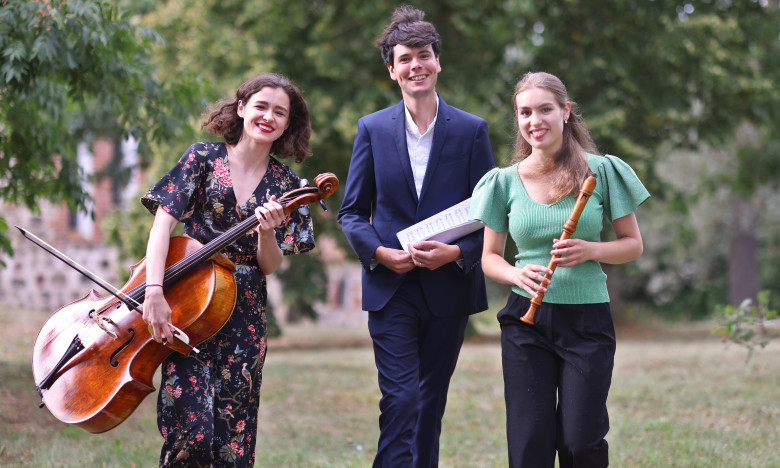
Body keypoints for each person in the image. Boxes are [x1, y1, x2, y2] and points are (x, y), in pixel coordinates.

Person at [337, 6, 495, 467]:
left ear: (438, 61)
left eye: (423, 55)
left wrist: (456, 253)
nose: (415, 66)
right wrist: (380, 253)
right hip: (391, 289)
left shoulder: (471, 131)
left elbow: (491, 216)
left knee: (429, 406)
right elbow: (351, 213)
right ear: (392, 70)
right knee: (402, 398)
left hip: (450, 289)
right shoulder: (371, 129)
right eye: (405, 59)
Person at [470, 71, 650, 468]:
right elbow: (489, 258)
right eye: (525, 112)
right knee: (529, 442)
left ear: (566, 112)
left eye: (545, 109)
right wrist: (516, 275)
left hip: (587, 317)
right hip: (525, 321)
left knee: (580, 442)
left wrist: (590, 249)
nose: (535, 121)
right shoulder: (502, 182)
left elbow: (632, 245)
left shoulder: (601, 171)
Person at [140, 73, 316, 467]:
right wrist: (153, 291)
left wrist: (267, 233)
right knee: (193, 431)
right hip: (189, 304)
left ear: (288, 124)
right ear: (241, 108)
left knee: (232, 440)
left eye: (280, 112)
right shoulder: (202, 158)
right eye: (261, 106)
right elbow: (162, 228)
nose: (268, 116)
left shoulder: (285, 184)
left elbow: (269, 265)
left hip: (245, 318)